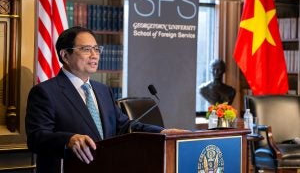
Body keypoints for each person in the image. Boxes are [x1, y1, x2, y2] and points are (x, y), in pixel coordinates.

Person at [25, 26, 183, 173]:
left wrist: (162, 132)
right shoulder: (45, 92)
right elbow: (36, 138)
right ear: (65, 55)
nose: (94, 55)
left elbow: (124, 126)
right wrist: (68, 140)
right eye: (86, 49)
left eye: (96, 49)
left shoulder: (102, 90)